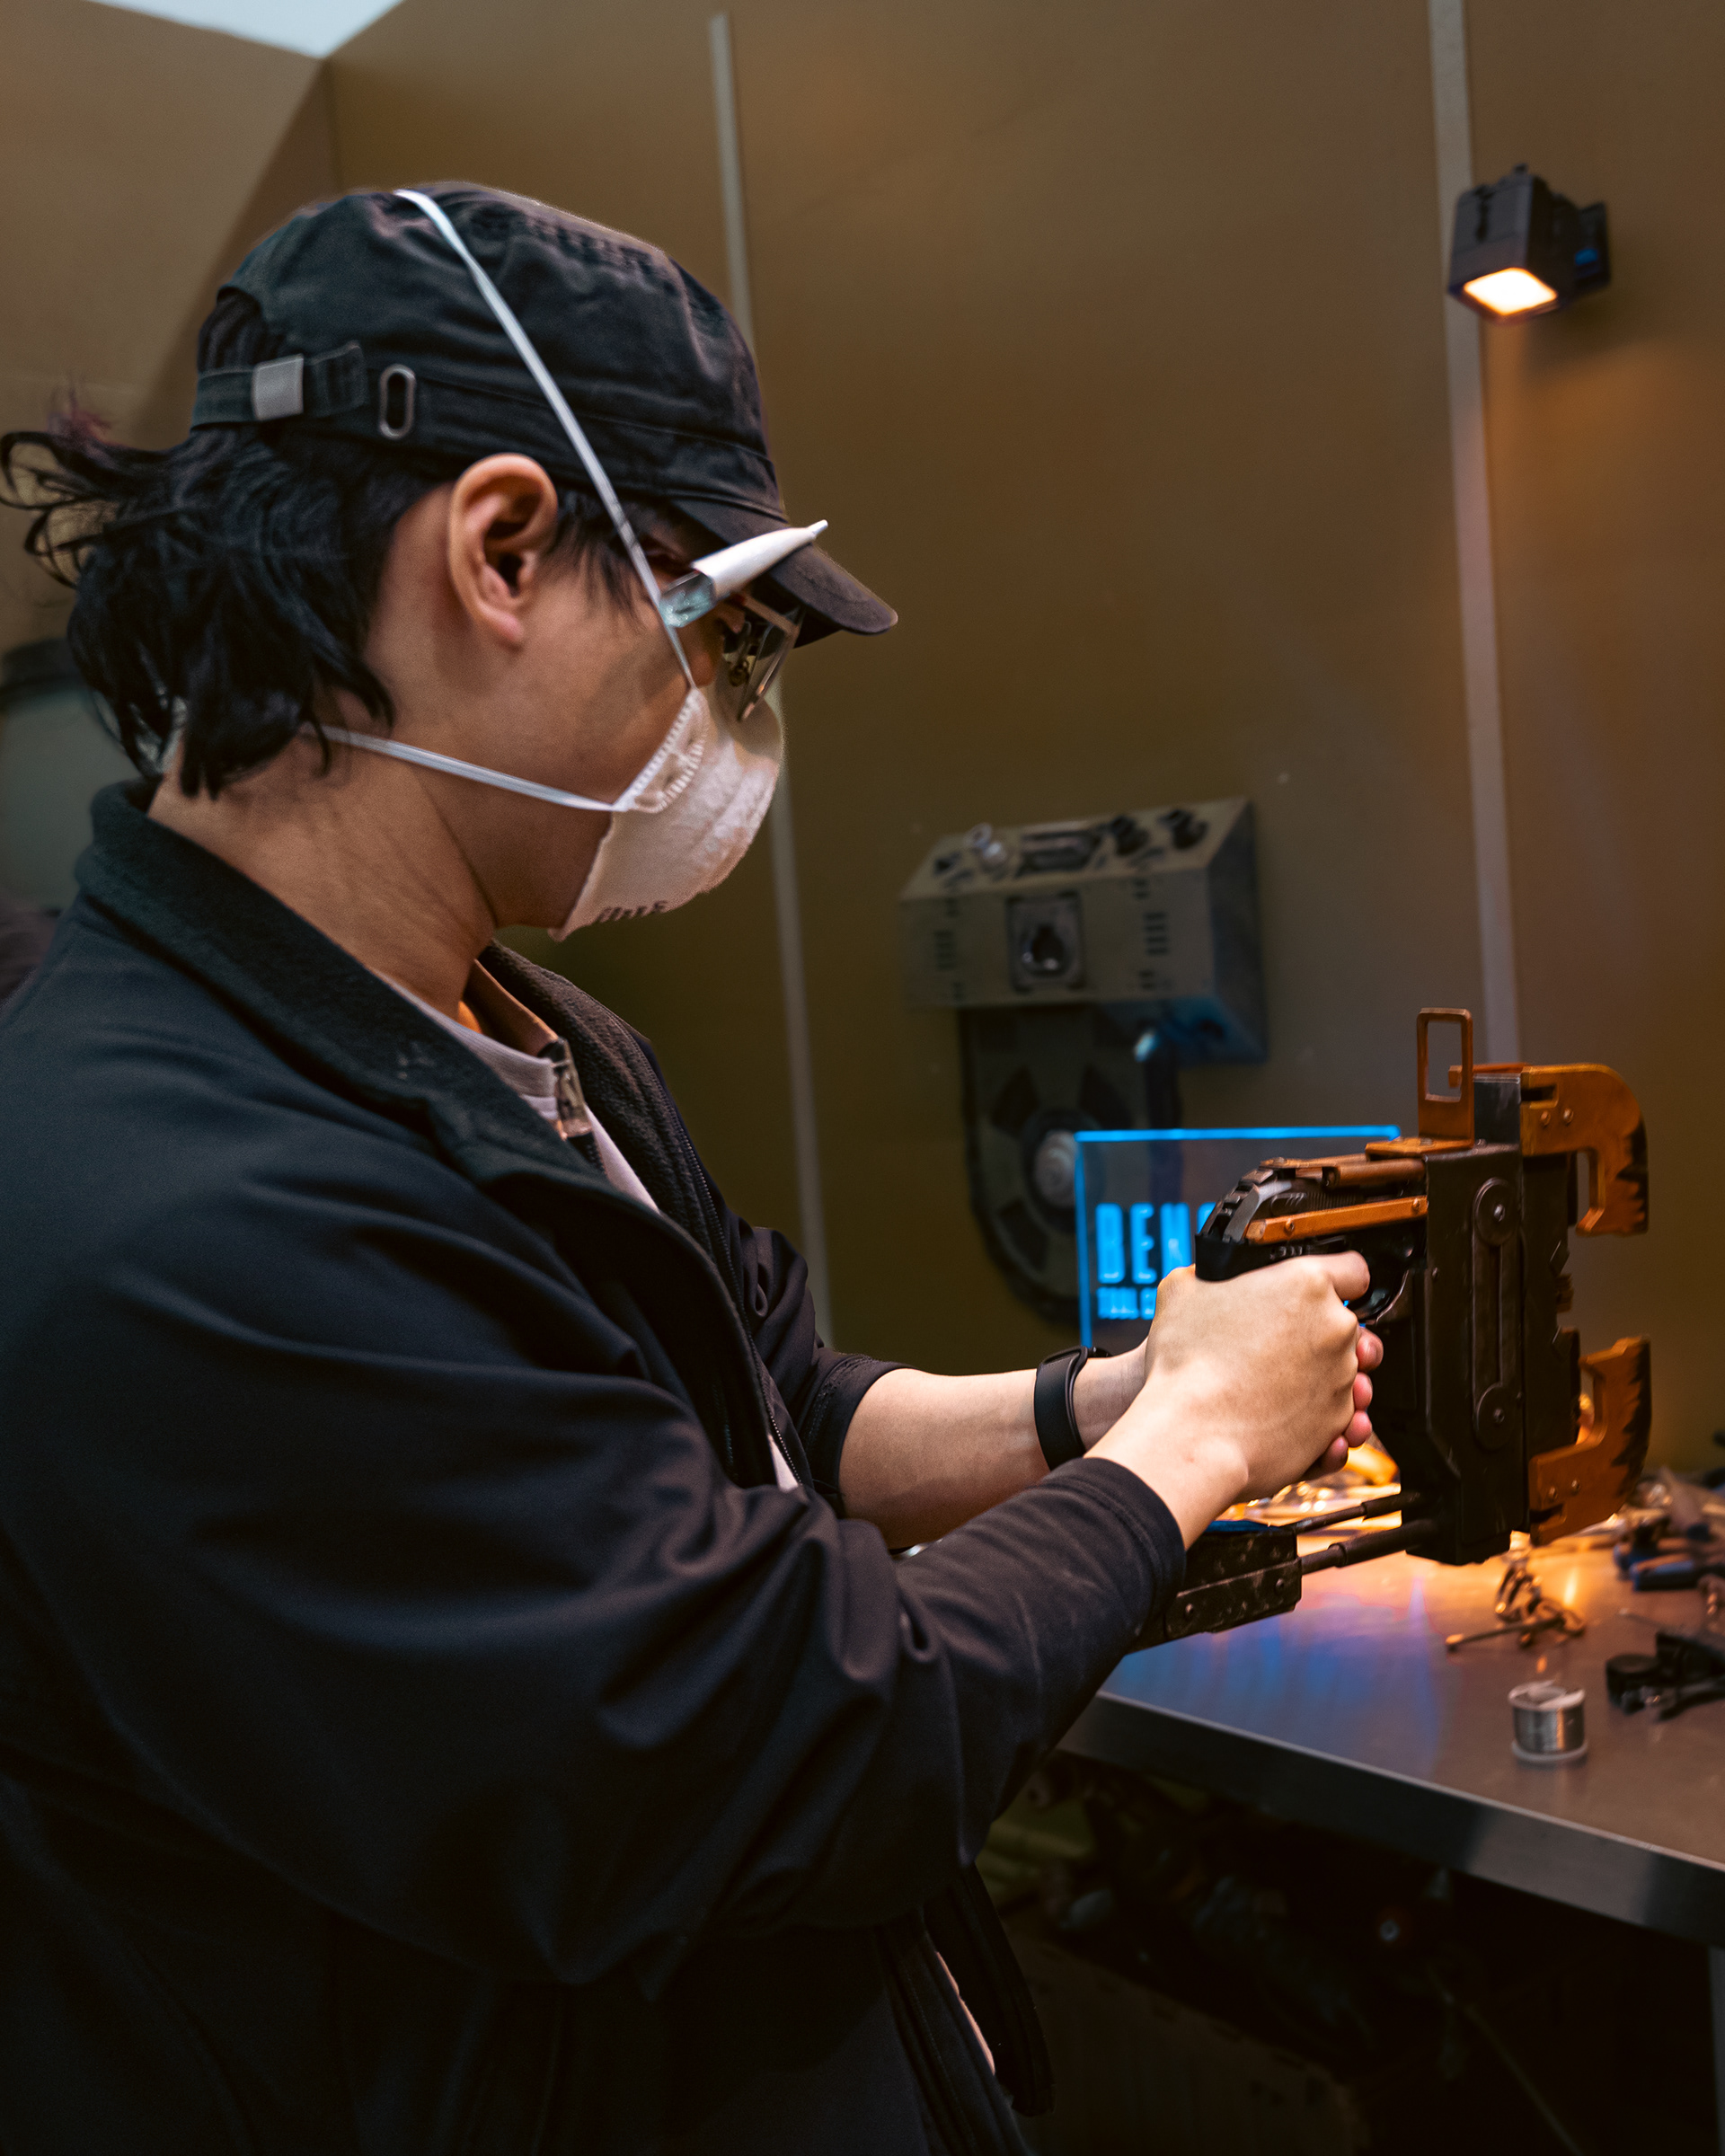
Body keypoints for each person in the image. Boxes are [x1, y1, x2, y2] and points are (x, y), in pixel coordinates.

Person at [0, 184, 1379, 2156]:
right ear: (498, 550)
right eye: (715, 632)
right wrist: (1196, 1450)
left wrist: (1094, 1404)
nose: (729, 719)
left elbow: (772, 1409)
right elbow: (797, 1748)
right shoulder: (194, 1214)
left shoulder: (519, 1032)